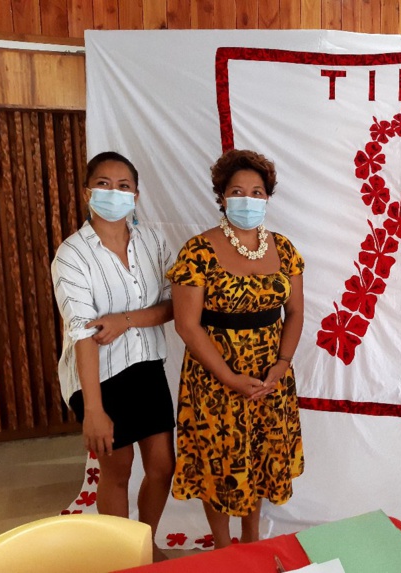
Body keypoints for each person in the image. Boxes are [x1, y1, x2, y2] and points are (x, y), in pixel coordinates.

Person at [168, 149, 305, 549]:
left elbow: (296, 312)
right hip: (215, 379)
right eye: (237, 191)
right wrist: (229, 377)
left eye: (257, 192)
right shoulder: (198, 251)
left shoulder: (284, 249)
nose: (248, 199)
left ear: (268, 197)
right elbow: (187, 324)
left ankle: (252, 542)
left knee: (259, 458)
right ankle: (224, 550)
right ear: (222, 196)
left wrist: (282, 364)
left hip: (269, 378)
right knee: (219, 463)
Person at [51, 151, 176, 553]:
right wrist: (94, 409)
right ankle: (123, 556)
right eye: (103, 184)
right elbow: (82, 333)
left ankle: (146, 543)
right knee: (117, 470)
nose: (114, 192)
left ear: (135, 195)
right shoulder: (72, 254)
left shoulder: (153, 242)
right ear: (87, 191)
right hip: (99, 374)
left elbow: (174, 305)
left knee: (163, 467)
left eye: (124, 186)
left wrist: (125, 320)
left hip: (146, 363)